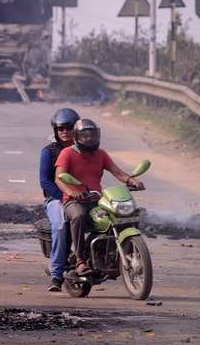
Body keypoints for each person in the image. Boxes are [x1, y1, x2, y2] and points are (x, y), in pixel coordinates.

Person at [55, 118, 144, 276]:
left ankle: (111, 255)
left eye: (92, 135)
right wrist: (71, 192)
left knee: (121, 215)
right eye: (85, 136)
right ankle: (80, 260)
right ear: (76, 137)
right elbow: (59, 177)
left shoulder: (101, 154)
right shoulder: (67, 153)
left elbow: (117, 172)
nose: (89, 139)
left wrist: (131, 180)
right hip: (74, 201)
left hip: (96, 200)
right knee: (79, 216)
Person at [39, 108, 80, 292]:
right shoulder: (49, 152)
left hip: (82, 197)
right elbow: (45, 181)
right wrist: (63, 196)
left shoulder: (85, 150)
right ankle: (56, 275)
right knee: (61, 225)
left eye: (68, 127)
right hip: (57, 199)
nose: (64, 131)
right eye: (60, 128)